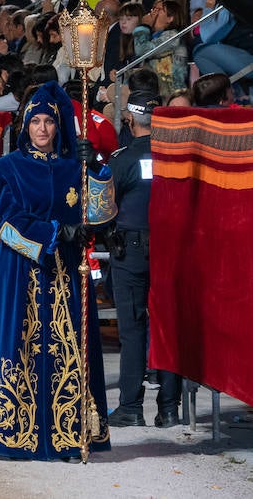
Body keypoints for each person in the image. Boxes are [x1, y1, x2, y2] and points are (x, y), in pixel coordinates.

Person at [0, 82, 110, 460]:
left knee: (68, 352)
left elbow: (101, 213)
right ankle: (14, 432)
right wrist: (54, 232)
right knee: (19, 346)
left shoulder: (73, 167)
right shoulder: (6, 168)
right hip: (21, 273)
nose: (43, 129)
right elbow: (6, 223)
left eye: (49, 121)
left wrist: (96, 167)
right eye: (36, 122)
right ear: (26, 125)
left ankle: (69, 434)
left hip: (67, 273)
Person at [106, 90, 182, 429]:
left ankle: (131, 407)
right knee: (168, 328)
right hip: (171, 250)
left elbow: (103, 208)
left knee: (133, 330)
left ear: (129, 119)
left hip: (132, 249)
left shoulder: (121, 159)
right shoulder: (175, 156)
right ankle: (169, 409)